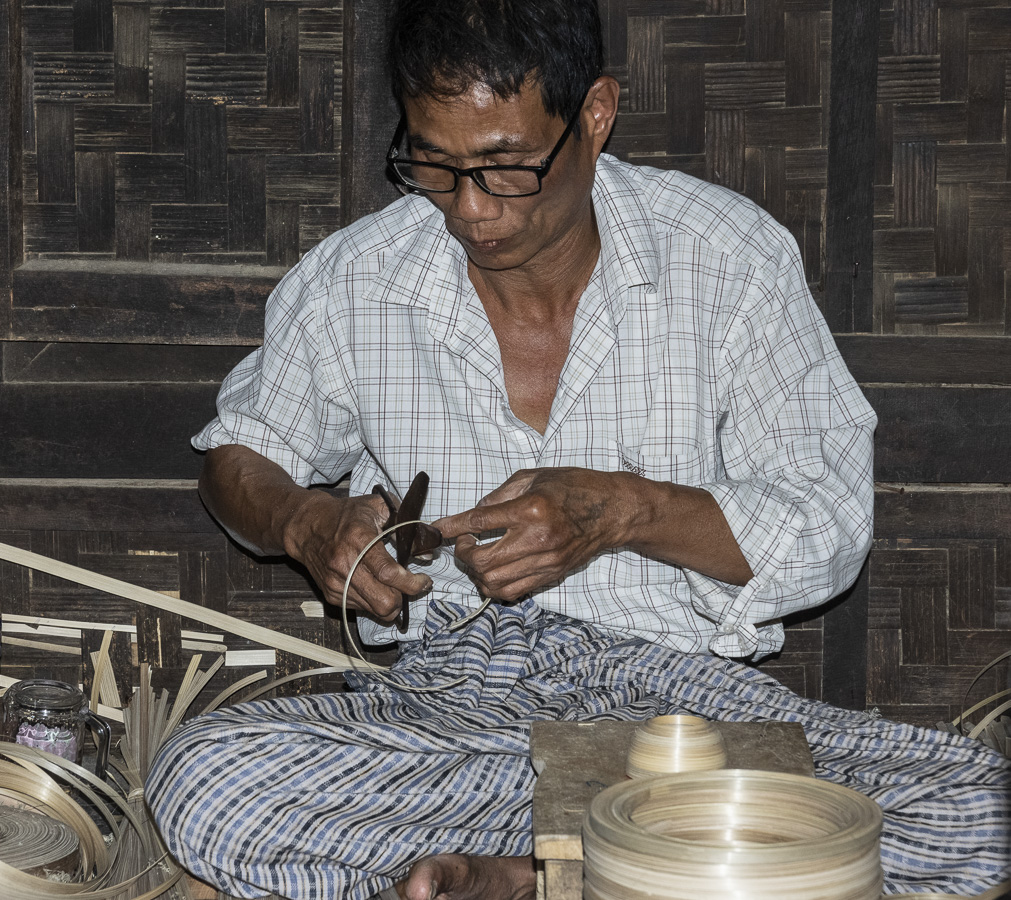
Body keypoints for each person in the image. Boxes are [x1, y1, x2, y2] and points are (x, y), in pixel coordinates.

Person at [147, 1, 1011, 898]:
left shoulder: (726, 257)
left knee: (982, 810)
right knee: (208, 784)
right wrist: (306, 520)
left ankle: (536, 871)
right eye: (434, 165)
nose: (470, 210)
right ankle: (630, 859)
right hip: (458, 711)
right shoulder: (356, 279)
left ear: (594, 115)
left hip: (683, 717)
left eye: (505, 167)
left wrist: (620, 512)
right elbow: (237, 455)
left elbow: (828, 526)